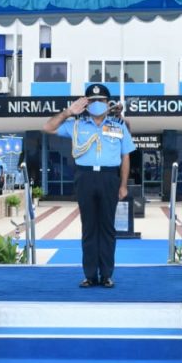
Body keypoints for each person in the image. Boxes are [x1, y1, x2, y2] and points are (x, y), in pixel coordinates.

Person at [43, 83, 134, 288]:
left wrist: (123, 185)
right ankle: (90, 275)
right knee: (89, 227)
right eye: (92, 101)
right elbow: (48, 127)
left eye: (100, 100)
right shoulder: (77, 125)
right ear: (85, 104)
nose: (96, 104)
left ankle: (107, 275)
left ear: (107, 103)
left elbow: (125, 156)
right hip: (85, 177)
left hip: (109, 178)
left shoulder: (118, 126)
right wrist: (68, 112)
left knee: (108, 228)